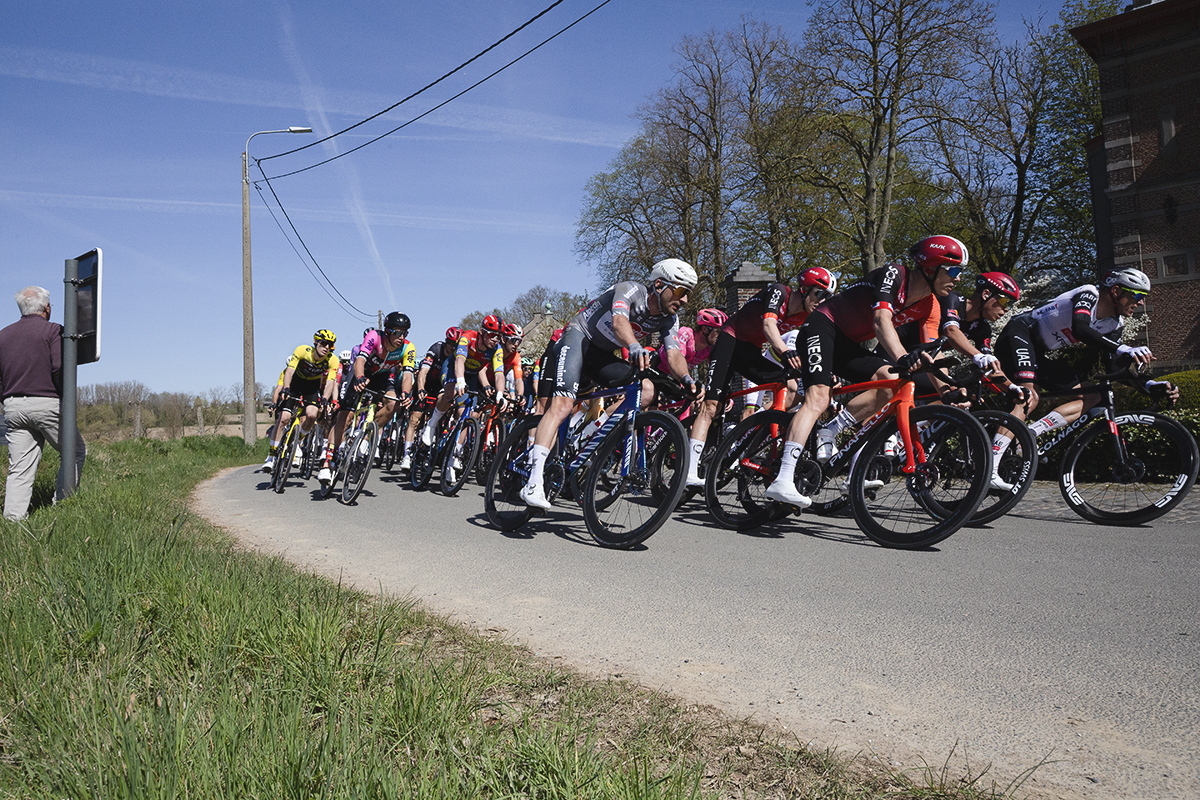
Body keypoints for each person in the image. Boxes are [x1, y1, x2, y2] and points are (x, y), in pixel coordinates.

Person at [764, 235, 966, 508]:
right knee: (819, 397)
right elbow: (881, 320)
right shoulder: (896, 274)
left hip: (847, 344)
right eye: (953, 270)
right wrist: (903, 356)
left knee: (890, 380)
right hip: (822, 327)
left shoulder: (931, 305)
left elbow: (932, 353)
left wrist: (948, 389)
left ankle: (830, 431)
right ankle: (783, 478)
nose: (958, 278)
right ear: (930, 267)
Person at [519, 258, 702, 510]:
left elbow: (674, 354)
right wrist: (635, 346)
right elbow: (619, 324)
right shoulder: (629, 290)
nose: (684, 301)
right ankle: (533, 481)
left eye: (688, 295)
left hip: (600, 355)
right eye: (681, 292)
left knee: (647, 389)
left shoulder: (669, 320)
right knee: (562, 406)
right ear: (659, 285)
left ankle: (592, 434)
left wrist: (688, 379)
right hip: (578, 338)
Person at [993, 267, 1179, 451]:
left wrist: (1149, 385)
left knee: (1093, 394)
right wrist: (1124, 349)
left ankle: (1031, 433)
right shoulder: (1089, 294)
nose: (1140, 303)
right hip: (1019, 333)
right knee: (1028, 396)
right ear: (1116, 291)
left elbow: (1114, 369)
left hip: (1037, 352)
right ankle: (993, 460)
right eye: (1138, 296)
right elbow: (1080, 328)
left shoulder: (1114, 325)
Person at [685, 267, 838, 488]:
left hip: (750, 350)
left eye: (828, 297)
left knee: (789, 384)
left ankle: (754, 441)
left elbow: (813, 344)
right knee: (711, 407)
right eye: (820, 294)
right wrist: (786, 352)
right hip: (730, 340)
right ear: (804, 290)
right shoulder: (780, 292)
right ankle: (689, 470)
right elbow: (768, 325)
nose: (822, 301)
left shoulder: (807, 315)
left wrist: (826, 370)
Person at [0, 286, 86, 521]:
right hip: (46, 403)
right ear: (46, 308)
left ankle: (13, 520)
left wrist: (7, 399)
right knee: (75, 451)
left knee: (20, 467)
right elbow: (60, 368)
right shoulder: (53, 331)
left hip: (13, 407)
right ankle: (63, 507)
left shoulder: (3, 335)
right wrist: (64, 398)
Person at [262, 329, 339, 474]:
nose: (327, 348)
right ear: (315, 342)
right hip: (294, 385)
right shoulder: (303, 351)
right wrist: (286, 388)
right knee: (284, 418)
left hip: (311, 387)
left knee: (311, 415)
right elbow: (289, 371)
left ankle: (297, 440)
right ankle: (271, 456)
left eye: (330, 345)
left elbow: (330, 383)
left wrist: (324, 398)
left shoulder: (332, 359)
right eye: (323, 344)